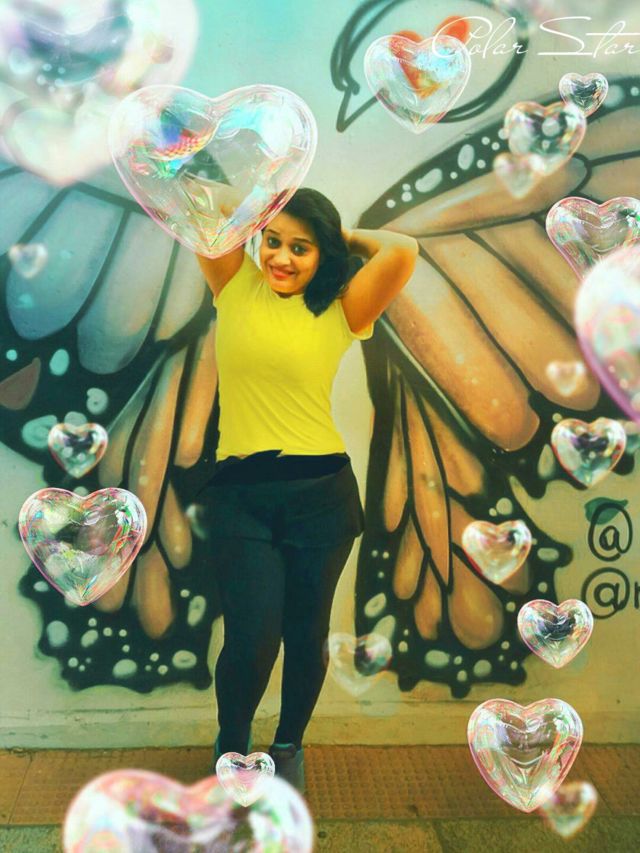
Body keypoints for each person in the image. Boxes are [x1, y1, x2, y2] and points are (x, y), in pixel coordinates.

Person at [196, 187, 418, 793]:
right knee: (251, 639)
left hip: (321, 496)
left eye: (301, 248)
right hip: (240, 496)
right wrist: (267, 208)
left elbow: (402, 250)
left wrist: (334, 235)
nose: (281, 258)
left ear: (323, 255)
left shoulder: (344, 308)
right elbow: (200, 204)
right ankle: (232, 747)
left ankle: (288, 747)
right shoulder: (233, 284)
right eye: (273, 242)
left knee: (305, 635)